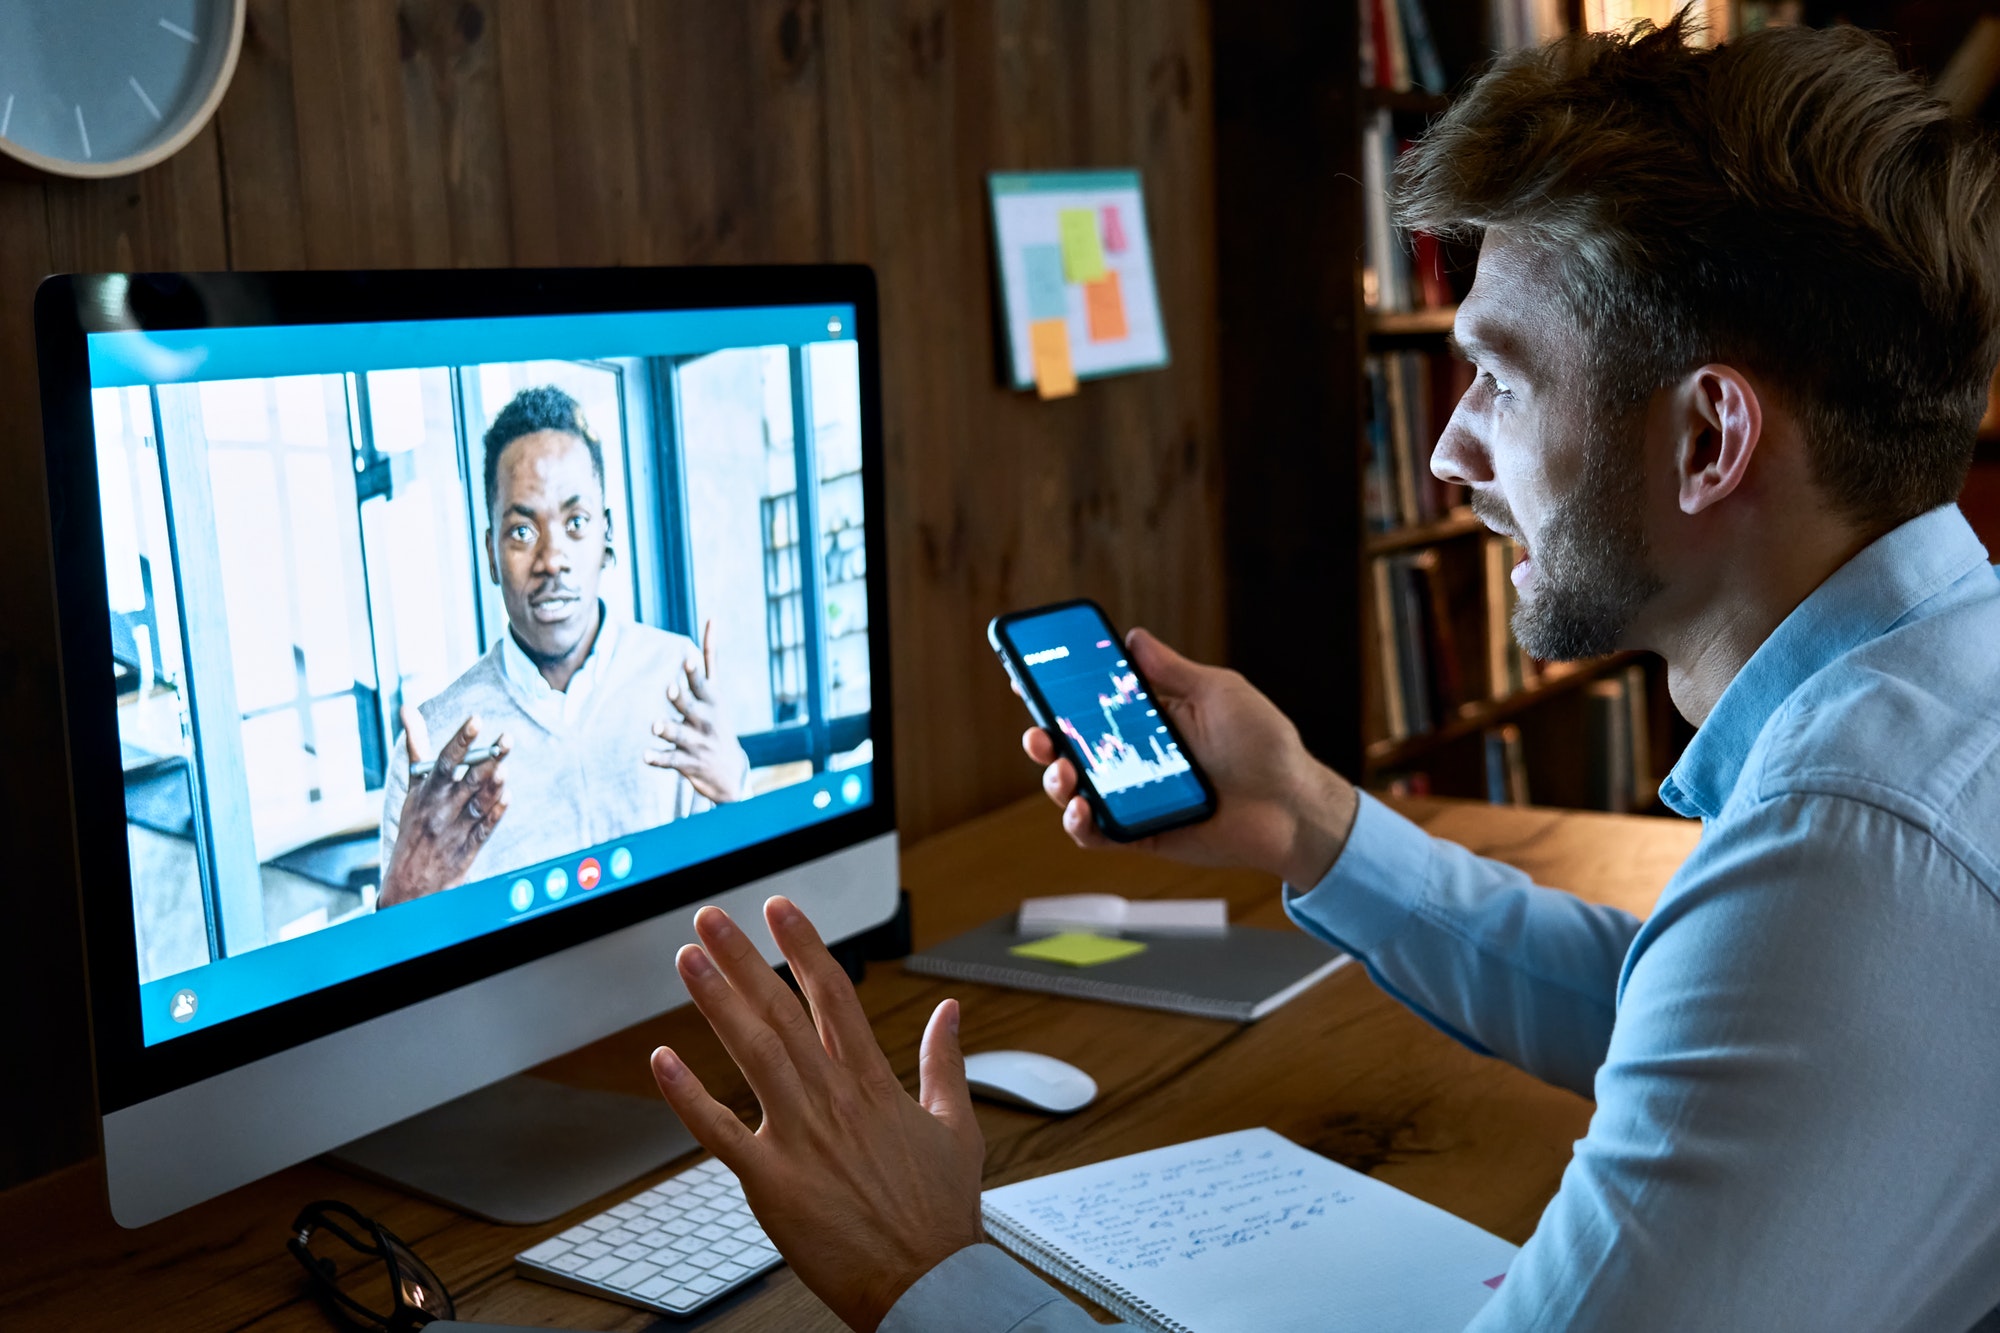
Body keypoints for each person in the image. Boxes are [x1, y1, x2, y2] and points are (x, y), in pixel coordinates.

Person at [643, 16, 2000, 1333]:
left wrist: (922, 1270)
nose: (1450, 453)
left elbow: (1756, 982)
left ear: (1710, 439)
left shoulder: (1849, 854)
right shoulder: (1939, 689)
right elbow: (1689, 1009)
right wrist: (1311, 817)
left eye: (1502, 377)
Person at [375, 386, 750, 908]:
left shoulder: (676, 678)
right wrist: (401, 900)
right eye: (523, 531)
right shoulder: (433, 746)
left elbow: (744, 901)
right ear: (490, 554)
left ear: (608, 537)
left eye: (575, 523)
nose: (553, 559)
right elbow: (403, 971)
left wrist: (737, 796)